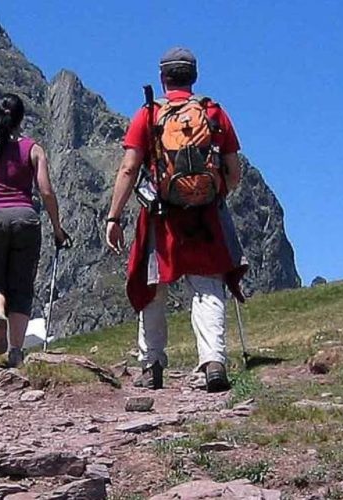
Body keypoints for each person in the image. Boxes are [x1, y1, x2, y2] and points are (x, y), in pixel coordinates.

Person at [105, 47, 248, 393]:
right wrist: (216, 194)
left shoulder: (149, 115)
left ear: (163, 77)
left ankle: (152, 364)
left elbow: (128, 168)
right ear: (194, 76)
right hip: (205, 216)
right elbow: (233, 171)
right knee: (208, 286)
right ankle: (213, 361)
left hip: (160, 216)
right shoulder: (213, 112)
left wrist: (114, 216)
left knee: (154, 286)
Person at [0, 93, 69, 367]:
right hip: (25, 220)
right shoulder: (34, 149)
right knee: (21, 288)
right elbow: (46, 191)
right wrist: (57, 228)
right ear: (21, 118)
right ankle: (16, 351)